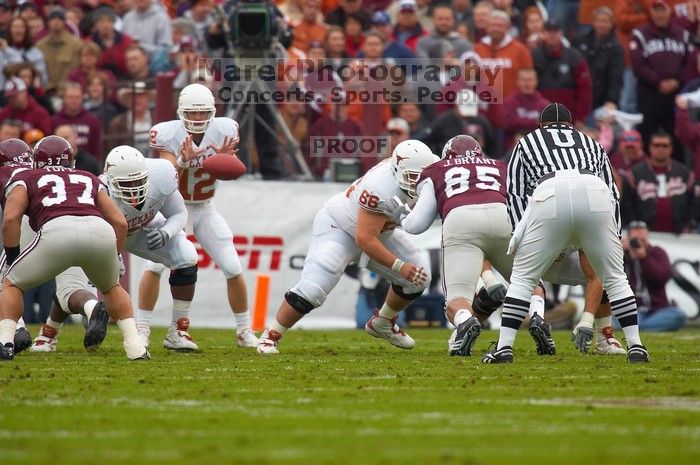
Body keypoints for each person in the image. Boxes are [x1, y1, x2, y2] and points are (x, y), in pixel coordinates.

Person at [484, 102, 649, 363]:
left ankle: (504, 348)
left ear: (541, 125)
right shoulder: (590, 142)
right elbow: (613, 191)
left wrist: (520, 234)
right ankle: (636, 346)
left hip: (550, 192)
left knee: (523, 279)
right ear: (571, 126)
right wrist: (614, 236)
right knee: (616, 277)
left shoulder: (527, 142)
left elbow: (514, 192)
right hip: (595, 193)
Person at [257, 140, 436, 354]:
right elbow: (365, 239)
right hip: (340, 227)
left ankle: (383, 322)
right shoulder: (379, 186)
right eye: (412, 177)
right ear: (397, 170)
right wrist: (399, 266)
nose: (417, 182)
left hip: (381, 231)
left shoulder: (433, 171)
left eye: (422, 176)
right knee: (314, 288)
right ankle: (270, 336)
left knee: (420, 277)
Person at [30, 145, 201, 352]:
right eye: (127, 183)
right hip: (105, 239)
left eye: (139, 181)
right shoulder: (97, 190)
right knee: (76, 289)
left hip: (144, 231)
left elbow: (179, 213)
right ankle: (50, 331)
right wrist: (114, 255)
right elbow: (96, 231)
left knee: (187, 255)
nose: (134, 188)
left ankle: (178, 330)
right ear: (110, 180)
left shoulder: (161, 174)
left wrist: (167, 232)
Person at [0, 136, 148, 361]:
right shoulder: (88, 177)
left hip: (56, 230)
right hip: (99, 231)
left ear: (36, 161)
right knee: (112, 288)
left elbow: (11, 218)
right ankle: (135, 347)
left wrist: (12, 257)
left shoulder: (25, 176)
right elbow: (120, 222)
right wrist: (113, 254)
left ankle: (5, 342)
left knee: (12, 282)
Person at [145, 83, 259, 349]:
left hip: (205, 207)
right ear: (181, 112)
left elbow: (231, 170)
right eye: (192, 113)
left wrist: (225, 160)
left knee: (232, 266)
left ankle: (244, 331)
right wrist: (185, 161)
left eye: (203, 113)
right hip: (175, 209)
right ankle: (142, 329)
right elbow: (167, 175)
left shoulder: (225, 130)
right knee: (156, 265)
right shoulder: (167, 133)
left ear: (213, 112)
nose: (198, 119)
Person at [631, 0, 693, 155]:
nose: (659, 14)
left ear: (669, 12)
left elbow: (689, 62)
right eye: (656, 10)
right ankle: (645, 174)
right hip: (649, 93)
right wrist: (658, 82)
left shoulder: (683, 34)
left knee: (676, 136)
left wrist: (677, 81)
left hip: (676, 94)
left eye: (662, 10)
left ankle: (677, 174)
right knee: (646, 134)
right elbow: (637, 64)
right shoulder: (640, 34)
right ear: (651, 13)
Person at [621, 130, 700, 234]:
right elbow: (627, 203)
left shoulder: (685, 174)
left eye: (664, 146)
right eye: (656, 145)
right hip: (645, 235)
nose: (660, 149)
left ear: (671, 148)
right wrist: (635, 225)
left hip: (681, 237)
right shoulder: (635, 174)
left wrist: (690, 224)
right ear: (650, 147)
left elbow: (695, 201)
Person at [623, 221, 686, 331]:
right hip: (629, 310)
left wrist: (645, 258)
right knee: (612, 316)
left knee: (678, 315)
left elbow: (661, 278)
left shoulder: (657, 252)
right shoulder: (622, 254)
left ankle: (632, 328)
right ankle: (639, 326)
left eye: (643, 240)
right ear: (628, 239)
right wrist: (618, 252)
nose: (639, 243)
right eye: (635, 240)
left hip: (655, 310)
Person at [501, 68, 550, 153]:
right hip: (512, 150)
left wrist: (519, 121)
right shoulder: (509, 102)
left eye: (530, 80)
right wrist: (535, 122)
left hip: (539, 149)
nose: (527, 84)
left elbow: (548, 127)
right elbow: (506, 123)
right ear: (517, 82)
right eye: (524, 80)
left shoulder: (545, 105)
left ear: (536, 81)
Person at [35, 8, 82, 92]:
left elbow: (78, 69)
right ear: (48, 22)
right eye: (53, 18)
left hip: (68, 92)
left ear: (64, 22)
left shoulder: (76, 44)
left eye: (60, 18)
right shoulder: (40, 46)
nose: (56, 21)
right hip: (46, 92)